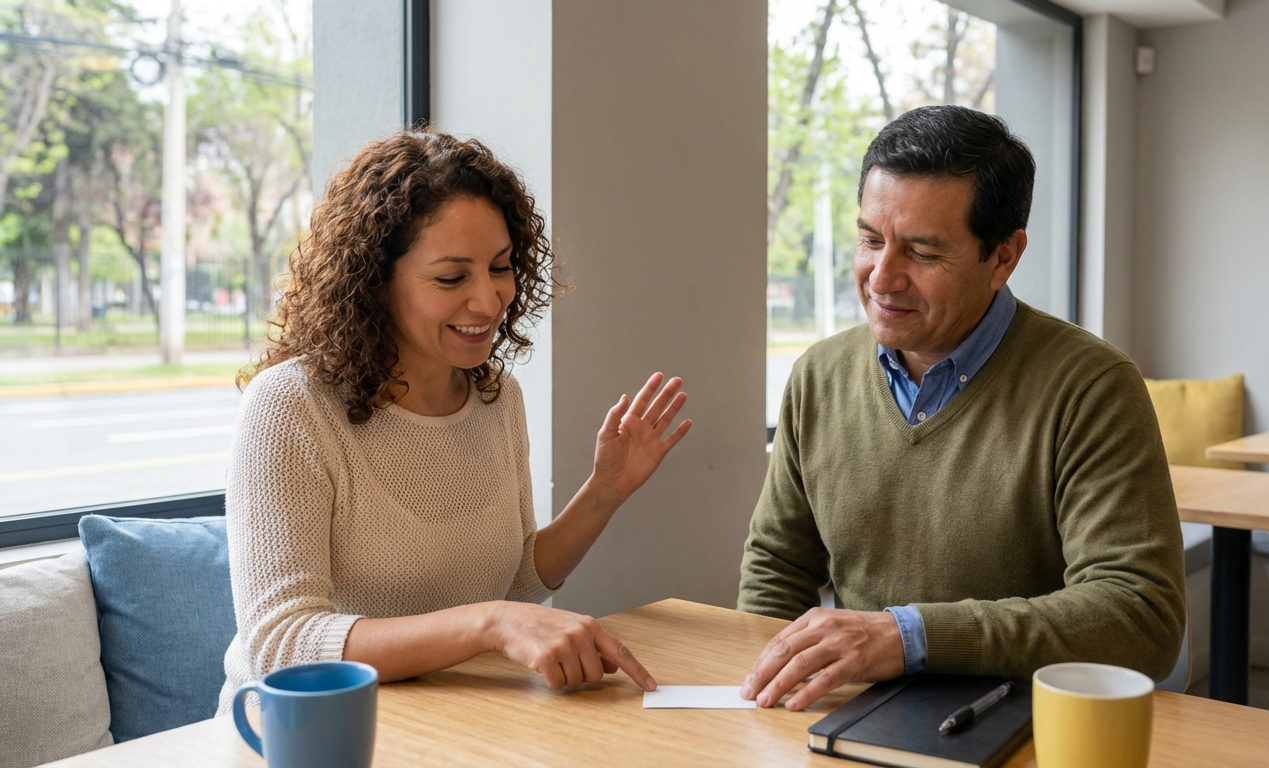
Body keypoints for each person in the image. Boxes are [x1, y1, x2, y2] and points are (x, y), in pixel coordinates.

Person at [216, 132, 690, 713]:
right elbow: (281, 644)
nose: (489, 302)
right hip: (302, 738)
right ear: (374, 280)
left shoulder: (496, 399)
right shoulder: (292, 404)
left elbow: (513, 582)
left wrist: (604, 492)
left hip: (446, 723)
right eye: (451, 278)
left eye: (500, 268)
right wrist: (489, 624)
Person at [737, 105, 1186, 711]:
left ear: (1003, 256)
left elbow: (1140, 615)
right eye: (871, 240)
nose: (882, 278)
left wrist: (910, 636)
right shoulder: (818, 376)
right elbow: (776, 567)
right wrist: (761, 702)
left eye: (922, 253)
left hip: (1020, 725)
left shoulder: (1092, 386)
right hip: (849, 719)